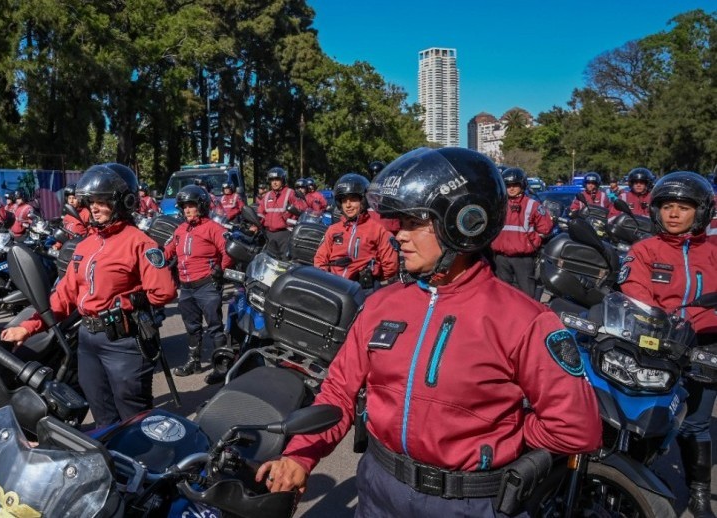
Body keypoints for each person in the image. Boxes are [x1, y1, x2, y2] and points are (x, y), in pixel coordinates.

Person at [256, 147, 602, 517]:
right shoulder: (381, 305)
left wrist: (505, 436)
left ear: (466, 222)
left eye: (413, 223)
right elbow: (339, 391)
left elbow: (576, 428)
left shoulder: (524, 320)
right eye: (398, 224)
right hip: (377, 491)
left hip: (467, 503)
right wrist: (300, 455)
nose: (398, 236)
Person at [0, 163, 176, 428]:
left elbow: (163, 292)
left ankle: (146, 463)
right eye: (91, 201)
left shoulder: (141, 243)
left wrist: (128, 299)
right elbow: (64, 297)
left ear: (123, 201)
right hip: (88, 339)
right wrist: (28, 327)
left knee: (134, 413)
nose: (93, 207)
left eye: (102, 201)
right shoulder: (85, 245)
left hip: (123, 340)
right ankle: (114, 462)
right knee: (101, 410)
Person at [618, 171, 717, 518]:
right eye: (668, 206)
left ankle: (699, 493)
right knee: (643, 417)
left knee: (697, 423)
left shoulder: (715, 251)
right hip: (655, 344)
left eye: (684, 207)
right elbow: (633, 291)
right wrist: (663, 323)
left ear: (701, 211)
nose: (674, 214)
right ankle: (632, 485)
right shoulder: (644, 250)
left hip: (705, 346)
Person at [165, 185, 232, 382]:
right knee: (192, 327)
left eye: (191, 205)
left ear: (201, 206)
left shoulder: (213, 228)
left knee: (214, 327)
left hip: (207, 286)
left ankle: (222, 367)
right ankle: (193, 362)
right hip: (186, 288)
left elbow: (228, 251)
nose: (187, 210)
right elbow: (167, 251)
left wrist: (220, 269)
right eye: (184, 206)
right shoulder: (179, 230)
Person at [314, 173, 398, 293]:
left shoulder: (377, 229)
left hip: (363, 289)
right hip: (334, 286)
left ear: (363, 201)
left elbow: (390, 265)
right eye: (344, 200)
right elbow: (320, 259)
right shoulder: (333, 230)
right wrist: (325, 278)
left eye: (353, 199)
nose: (348, 205)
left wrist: (375, 278)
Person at [490, 167, 554, 299]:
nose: (511, 188)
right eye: (508, 185)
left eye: (515, 185)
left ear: (522, 185)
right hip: (501, 258)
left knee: (526, 295)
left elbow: (545, 228)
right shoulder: (498, 204)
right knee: (502, 294)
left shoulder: (533, 205)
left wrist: (532, 242)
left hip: (523, 259)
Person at [256, 166, 306, 258]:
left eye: (277, 179)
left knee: (284, 261)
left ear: (282, 180)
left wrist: (292, 215)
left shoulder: (290, 193)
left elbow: (301, 209)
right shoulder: (267, 196)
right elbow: (260, 213)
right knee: (269, 260)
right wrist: (255, 226)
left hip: (285, 234)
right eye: (272, 180)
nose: (274, 182)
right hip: (269, 234)